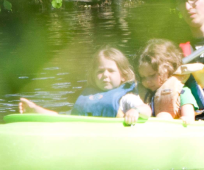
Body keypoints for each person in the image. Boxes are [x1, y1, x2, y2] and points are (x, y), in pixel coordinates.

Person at [19, 47, 152, 125]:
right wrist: (35, 109)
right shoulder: (89, 99)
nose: (105, 75)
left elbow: (147, 110)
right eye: (100, 71)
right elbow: (60, 117)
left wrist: (136, 111)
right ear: (94, 76)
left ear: (123, 75)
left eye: (111, 71)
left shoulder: (126, 98)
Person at [137, 39, 204, 123]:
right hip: (155, 128)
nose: (147, 81)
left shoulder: (181, 90)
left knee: (163, 116)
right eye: (143, 77)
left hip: (175, 127)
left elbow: (188, 111)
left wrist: (186, 118)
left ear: (167, 69)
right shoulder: (147, 93)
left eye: (152, 75)